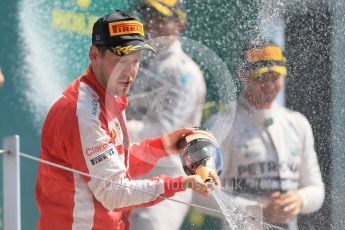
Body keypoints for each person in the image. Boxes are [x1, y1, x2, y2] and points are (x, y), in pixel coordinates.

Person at [35, 10, 219, 230]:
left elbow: (120, 164)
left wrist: (166, 144)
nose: (130, 73)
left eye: (136, 61)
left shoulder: (109, 95)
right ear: (95, 55)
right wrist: (182, 182)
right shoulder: (82, 112)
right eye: (121, 61)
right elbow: (115, 193)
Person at [200, 39, 325, 229]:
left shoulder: (298, 123)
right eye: (260, 77)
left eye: (274, 76)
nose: (268, 84)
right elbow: (200, 193)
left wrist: (299, 199)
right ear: (243, 75)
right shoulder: (222, 124)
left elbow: (317, 190)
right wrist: (257, 210)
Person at [127, 1, 206, 230]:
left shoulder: (183, 71)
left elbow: (165, 133)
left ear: (179, 24)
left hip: (166, 183)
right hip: (128, 178)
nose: (150, 22)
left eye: (160, 17)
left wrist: (110, 127)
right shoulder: (139, 63)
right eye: (147, 14)